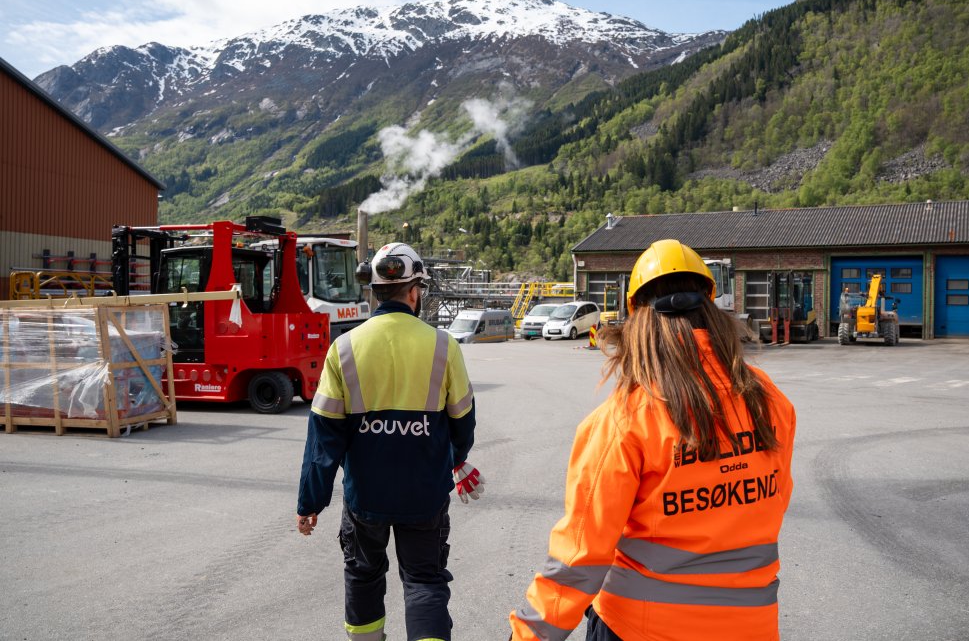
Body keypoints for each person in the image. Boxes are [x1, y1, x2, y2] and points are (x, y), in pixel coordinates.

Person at [509, 239, 796, 641]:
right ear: (710, 307)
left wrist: (528, 635)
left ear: (638, 317)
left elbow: (580, 556)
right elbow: (772, 500)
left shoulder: (627, 417)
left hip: (639, 627)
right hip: (752, 627)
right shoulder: (767, 399)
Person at [296, 242, 485, 641]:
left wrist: (310, 502)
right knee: (424, 580)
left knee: (363, 576)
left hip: (366, 497)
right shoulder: (443, 345)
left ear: (376, 291)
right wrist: (454, 458)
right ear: (415, 292)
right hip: (424, 494)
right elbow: (463, 423)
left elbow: (324, 437)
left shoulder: (344, 348)